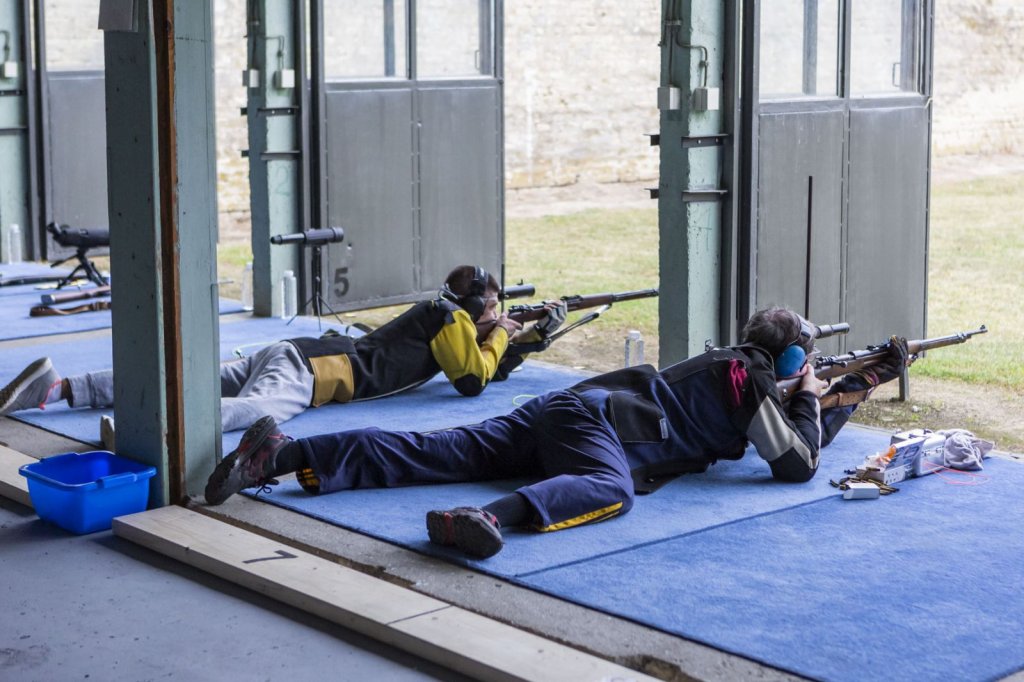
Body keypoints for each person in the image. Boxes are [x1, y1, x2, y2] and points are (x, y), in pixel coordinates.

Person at [204, 306, 909, 559]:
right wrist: (814, 396)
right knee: (610, 490)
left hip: (567, 412)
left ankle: (278, 454)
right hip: (593, 426)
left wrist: (853, 388)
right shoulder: (749, 377)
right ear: (788, 360)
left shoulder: (735, 368)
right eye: (804, 361)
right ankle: (487, 518)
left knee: (434, 449)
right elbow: (795, 463)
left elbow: (796, 437)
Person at [0, 265, 567, 436]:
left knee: (184, 376)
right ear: (473, 306)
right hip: (315, 371)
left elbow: (481, 368)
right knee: (255, 412)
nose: (496, 312)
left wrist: (526, 338)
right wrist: (504, 334)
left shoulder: (447, 315)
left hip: (293, 350)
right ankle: (152, 428)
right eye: (492, 306)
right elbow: (469, 381)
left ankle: (58, 387)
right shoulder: (451, 319)